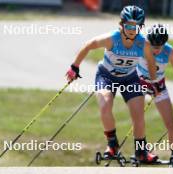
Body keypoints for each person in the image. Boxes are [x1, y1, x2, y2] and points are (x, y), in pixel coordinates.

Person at [66, 6, 160, 163]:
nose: (132, 30)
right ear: (121, 24)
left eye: (136, 26)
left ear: (140, 27)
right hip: (106, 77)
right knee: (105, 106)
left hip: (130, 78)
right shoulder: (111, 38)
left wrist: (154, 82)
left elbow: (151, 62)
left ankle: (141, 152)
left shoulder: (143, 44)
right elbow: (88, 45)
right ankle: (112, 145)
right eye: (129, 25)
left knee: (138, 114)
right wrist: (74, 67)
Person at [137, 24, 173, 167]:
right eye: (153, 46)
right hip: (139, 82)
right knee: (138, 119)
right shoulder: (140, 45)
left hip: (159, 86)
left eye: (159, 46)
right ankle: (141, 152)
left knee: (170, 123)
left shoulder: (170, 52)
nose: (156, 50)